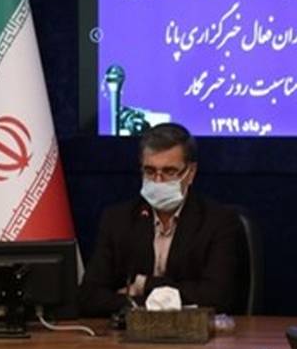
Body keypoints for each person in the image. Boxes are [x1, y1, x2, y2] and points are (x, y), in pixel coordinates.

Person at [77, 123, 247, 317]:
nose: (158, 181)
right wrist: (155, 302)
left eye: (169, 172)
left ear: (191, 173)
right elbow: (89, 297)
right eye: (150, 171)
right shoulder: (118, 220)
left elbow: (217, 297)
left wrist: (144, 285)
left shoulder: (218, 221)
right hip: (131, 333)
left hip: (195, 334)